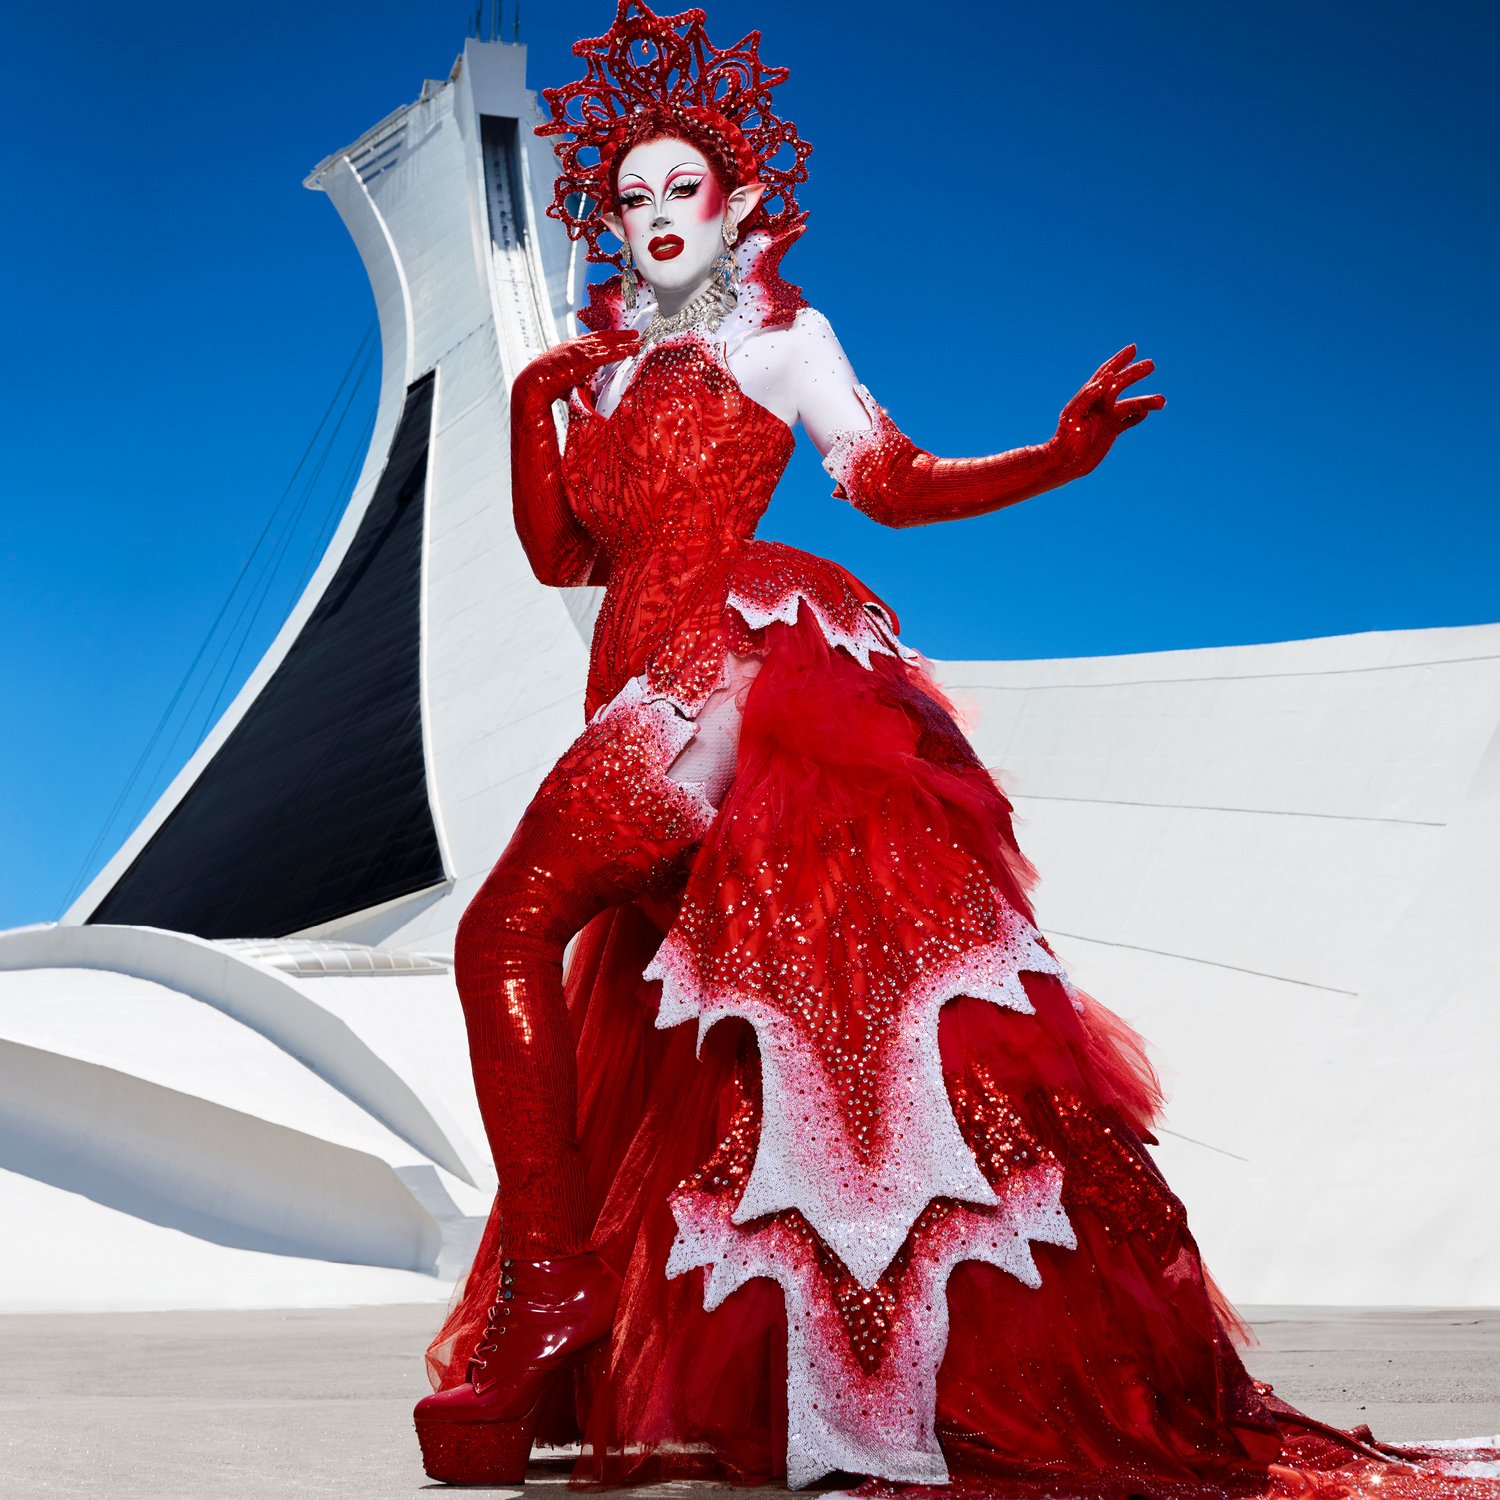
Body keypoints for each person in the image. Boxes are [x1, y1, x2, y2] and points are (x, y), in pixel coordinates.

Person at [415, 4, 1500, 1495]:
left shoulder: (781, 337)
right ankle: (841, 1371)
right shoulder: (590, 374)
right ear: (606, 224)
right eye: (633, 199)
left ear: (734, 206)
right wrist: (535, 409)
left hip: (725, 677)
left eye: (686, 190)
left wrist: (1053, 459)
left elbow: (891, 478)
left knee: (512, 935)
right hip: (627, 687)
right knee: (769, 1059)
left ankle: (555, 1290)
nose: (659, 217)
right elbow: (561, 564)